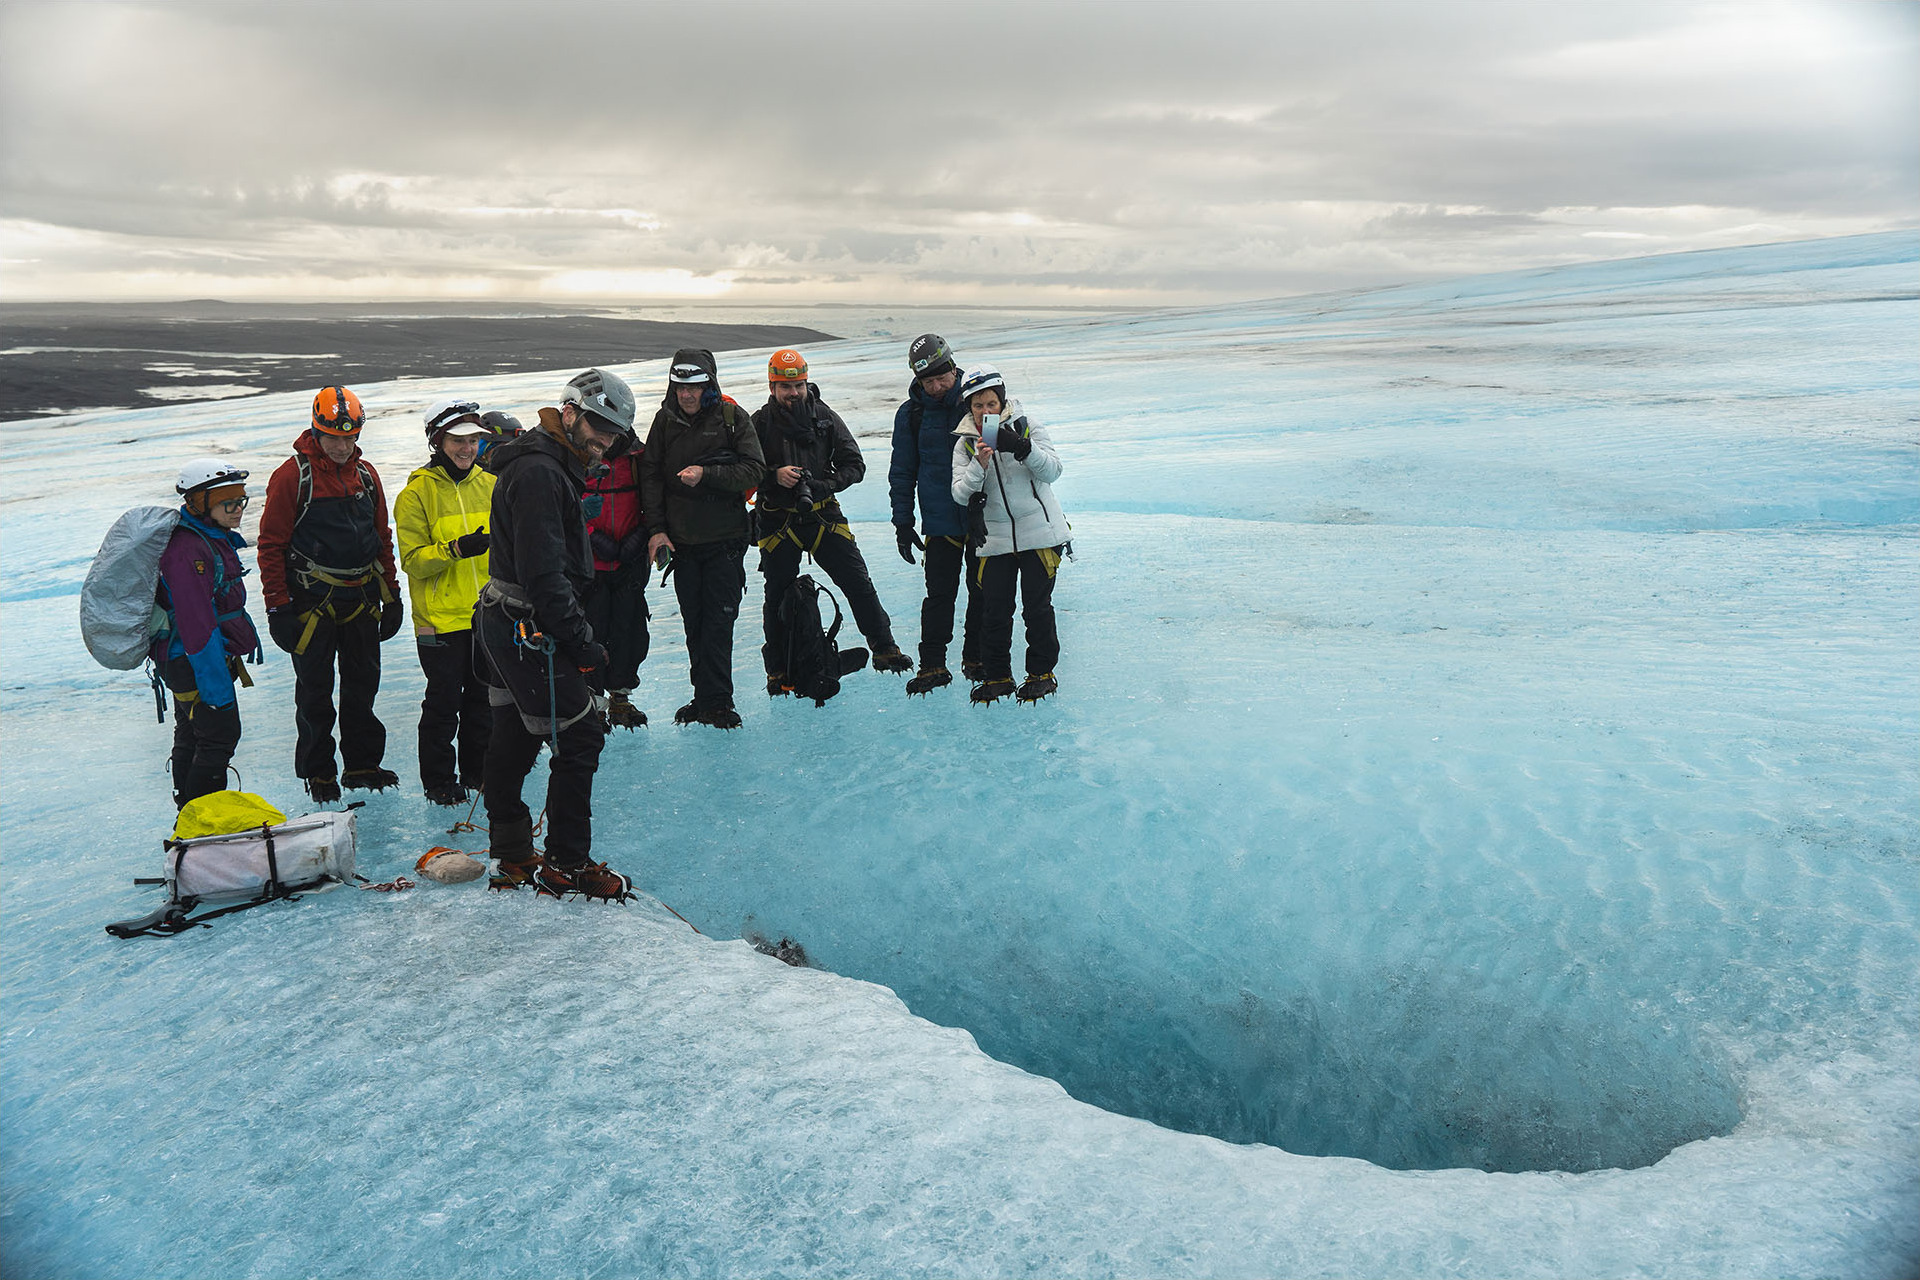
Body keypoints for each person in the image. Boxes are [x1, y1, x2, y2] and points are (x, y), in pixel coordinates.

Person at [474, 368, 636, 900]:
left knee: (514, 734)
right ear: (569, 413)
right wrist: (580, 641)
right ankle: (566, 862)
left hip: (506, 620)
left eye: (613, 435)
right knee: (580, 735)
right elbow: (544, 574)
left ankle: (514, 853)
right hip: (526, 624)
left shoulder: (546, 463)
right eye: (599, 428)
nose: (605, 442)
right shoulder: (541, 472)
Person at [258, 386, 403, 803]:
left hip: (361, 600)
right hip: (311, 603)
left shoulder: (367, 475)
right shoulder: (292, 477)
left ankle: (362, 765)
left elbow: (381, 537)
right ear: (316, 431)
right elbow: (271, 545)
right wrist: (278, 608)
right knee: (315, 692)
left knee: (362, 687)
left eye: (350, 437)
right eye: (334, 438)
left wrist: (392, 594)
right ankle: (319, 772)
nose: (342, 446)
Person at [752, 348, 912, 693]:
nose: (794, 393)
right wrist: (773, 476)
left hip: (823, 514)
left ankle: (885, 648)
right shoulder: (759, 424)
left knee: (857, 582)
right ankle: (777, 670)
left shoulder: (824, 418)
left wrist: (825, 485)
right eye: (785, 387)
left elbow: (855, 464)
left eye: (799, 385)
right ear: (772, 387)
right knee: (776, 596)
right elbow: (744, 471)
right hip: (777, 519)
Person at [640, 348, 765, 729]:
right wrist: (657, 530)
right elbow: (650, 476)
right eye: (680, 388)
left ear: (708, 385)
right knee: (694, 622)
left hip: (725, 540)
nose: (686, 395)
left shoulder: (732, 417)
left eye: (693, 387)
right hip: (682, 543)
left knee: (718, 622)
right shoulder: (664, 421)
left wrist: (706, 475)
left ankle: (718, 702)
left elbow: (754, 469)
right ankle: (705, 697)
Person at [394, 398, 496, 806]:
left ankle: (476, 772)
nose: (467, 448)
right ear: (438, 441)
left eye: (473, 440)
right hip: (439, 620)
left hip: (486, 613)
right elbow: (413, 562)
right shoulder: (416, 494)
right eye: (458, 440)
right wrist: (455, 549)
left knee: (483, 700)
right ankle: (438, 781)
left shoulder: (491, 485)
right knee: (443, 703)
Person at [949, 365, 1069, 704]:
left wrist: (1022, 447)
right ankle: (998, 676)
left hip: (1040, 534)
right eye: (977, 405)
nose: (985, 411)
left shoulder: (1027, 426)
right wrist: (979, 465)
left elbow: (1053, 471)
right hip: (995, 541)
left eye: (991, 403)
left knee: (1037, 609)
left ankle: (1041, 674)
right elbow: (959, 494)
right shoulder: (965, 445)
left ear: (1002, 401)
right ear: (969, 407)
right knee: (994, 612)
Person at [154, 460, 265, 808]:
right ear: (199, 503)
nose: (238, 509)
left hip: (193, 658)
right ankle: (200, 818)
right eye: (227, 502)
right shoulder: (188, 551)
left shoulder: (210, 537)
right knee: (219, 735)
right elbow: (197, 627)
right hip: (192, 660)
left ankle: (190, 815)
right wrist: (216, 690)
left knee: (194, 734)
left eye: (240, 500)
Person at [888, 333, 985, 695]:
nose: (937, 387)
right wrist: (903, 522)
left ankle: (976, 659)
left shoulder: (977, 403)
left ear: (953, 369)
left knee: (983, 592)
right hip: (940, 522)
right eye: (928, 382)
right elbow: (902, 471)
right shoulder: (911, 414)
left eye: (942, 379)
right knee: (939, 596)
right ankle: (932, 665)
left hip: (981, 519)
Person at [583, 440, 652, 730]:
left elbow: (653, 496)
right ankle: (592, 700)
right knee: (591, 631)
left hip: (629, 561)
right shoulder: (578, 456)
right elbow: (562, 500)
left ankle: (620, 696)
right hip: (590, 563)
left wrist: (642, 534)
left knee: (629, 630)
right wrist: (590, 535)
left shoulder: (638, 456)